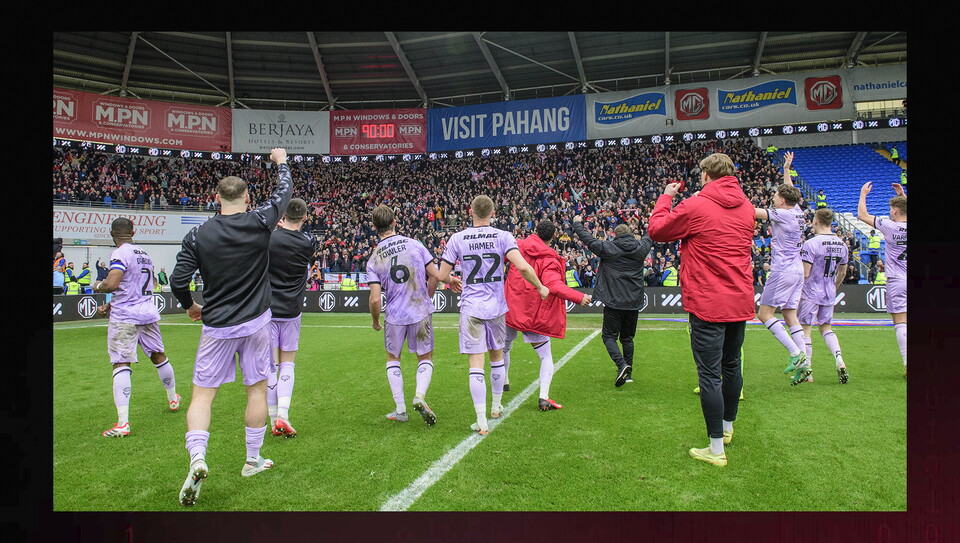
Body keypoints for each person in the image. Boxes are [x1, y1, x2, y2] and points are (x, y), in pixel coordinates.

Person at [170, 147, 293, 506]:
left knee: (202, 397)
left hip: (217, 326)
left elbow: (179, 279)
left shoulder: (198, 235)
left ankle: (197, 458)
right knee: (256, 392)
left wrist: (191, 306)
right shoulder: (260, 221)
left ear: (217, 199)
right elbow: (283, 194)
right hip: (256, 323)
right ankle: (252, 460)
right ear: (247, 197)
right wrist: (281, 162)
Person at [648, 152, 755, 467]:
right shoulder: (747, 207)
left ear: (706, 175)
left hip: (709, 300)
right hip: (740, 297)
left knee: (709, 375)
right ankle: (727, 428)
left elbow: (657, 230)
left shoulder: (697, 205)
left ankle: (716, 448)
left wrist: (666, 198)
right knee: (732, 366)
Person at [437, 195, 549, 436]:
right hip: (496, 308)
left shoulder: (457, 238)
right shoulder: (503, 236)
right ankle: (496, 407)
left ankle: (481, 420)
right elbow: (523, 267)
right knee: (497, 359)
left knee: (476, 365)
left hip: (471, 308)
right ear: (493, 212)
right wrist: (540, 287)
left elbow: (440, 274)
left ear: (470, 211)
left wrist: (451, 279)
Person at [92, 217, 180, 438]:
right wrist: (111, 304)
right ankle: (172, 398)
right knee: (159, 355)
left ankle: (123, 423)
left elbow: (111, 284)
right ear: (133, 231)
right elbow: (136, 289)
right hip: (146, 311)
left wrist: (97, 285)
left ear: (112, 234)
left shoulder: (119, 253)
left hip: (125, 316)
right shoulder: (144, 255)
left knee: (121, 362)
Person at [366, 204, 453, 426]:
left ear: (375, 227)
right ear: (395, 222)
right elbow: (435, 275)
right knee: (425, 357)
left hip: (394, 315)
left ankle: (400, 409)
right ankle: (420, 396)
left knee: (393, 359)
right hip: (420, 311)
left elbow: (375, 299)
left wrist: (376, 320)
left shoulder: (374, 258)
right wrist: (429, 296)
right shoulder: (415, 244)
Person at [503, 220, 592, 411]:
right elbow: (554, 286)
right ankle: (543, 397)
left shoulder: (516, 245)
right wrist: (579, 296)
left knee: (505, 347)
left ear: (535, 231)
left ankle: (503, 380)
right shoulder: (549, 258)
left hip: (511, 307)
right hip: (532, 314)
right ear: (553, 237)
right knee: (545, 357)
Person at [572, 216, 653, 386]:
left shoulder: (608, 247)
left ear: (614, 235)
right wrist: (654, 219)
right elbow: (651, 234)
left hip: (614, 301)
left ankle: (622, 364)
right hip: (633, 301)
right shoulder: (641, 248)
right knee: (627, 338)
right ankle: (628, 372)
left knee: (609, 336)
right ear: (631, 233)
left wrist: (577, 223)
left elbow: (588, 239)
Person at [754, 151, 810, 384]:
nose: (773, 198)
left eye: (775, 196)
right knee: (790, 314)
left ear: (782, 201)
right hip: (797, 271)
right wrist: (787, 169)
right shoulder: (797, 211)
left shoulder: (784, 214)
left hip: (782, 270)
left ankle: (796, 354)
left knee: (764, 314)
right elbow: (791, 192)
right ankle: (806, 365)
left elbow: (753, 213)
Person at [265, 198, 319, 439]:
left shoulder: (268, 238)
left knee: (269, 365)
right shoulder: (308, 242)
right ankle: (283, 415)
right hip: (291, 310)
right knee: (287, 362)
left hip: (266, 309)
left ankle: (272, 416)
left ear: (282, 215)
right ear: (305, 218)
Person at [858, 182, 907, 378]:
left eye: (890, 209)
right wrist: (902, 195)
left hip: (897, 279)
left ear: (895, 211)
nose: (889, 211)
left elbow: (862, 215)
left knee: (900, 322)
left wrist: (863, 194)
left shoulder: (890, 227)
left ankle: (907, 362)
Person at [797, 208, 850, 385]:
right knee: (826, 328)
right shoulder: (842, 244)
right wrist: (833, 288)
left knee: (806, 329)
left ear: (816, 221)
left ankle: (807, 370)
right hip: (829, 290)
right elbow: (842, 273)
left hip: (811, 290)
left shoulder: (811, 244)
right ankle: (839, 359)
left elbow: (805, 273)